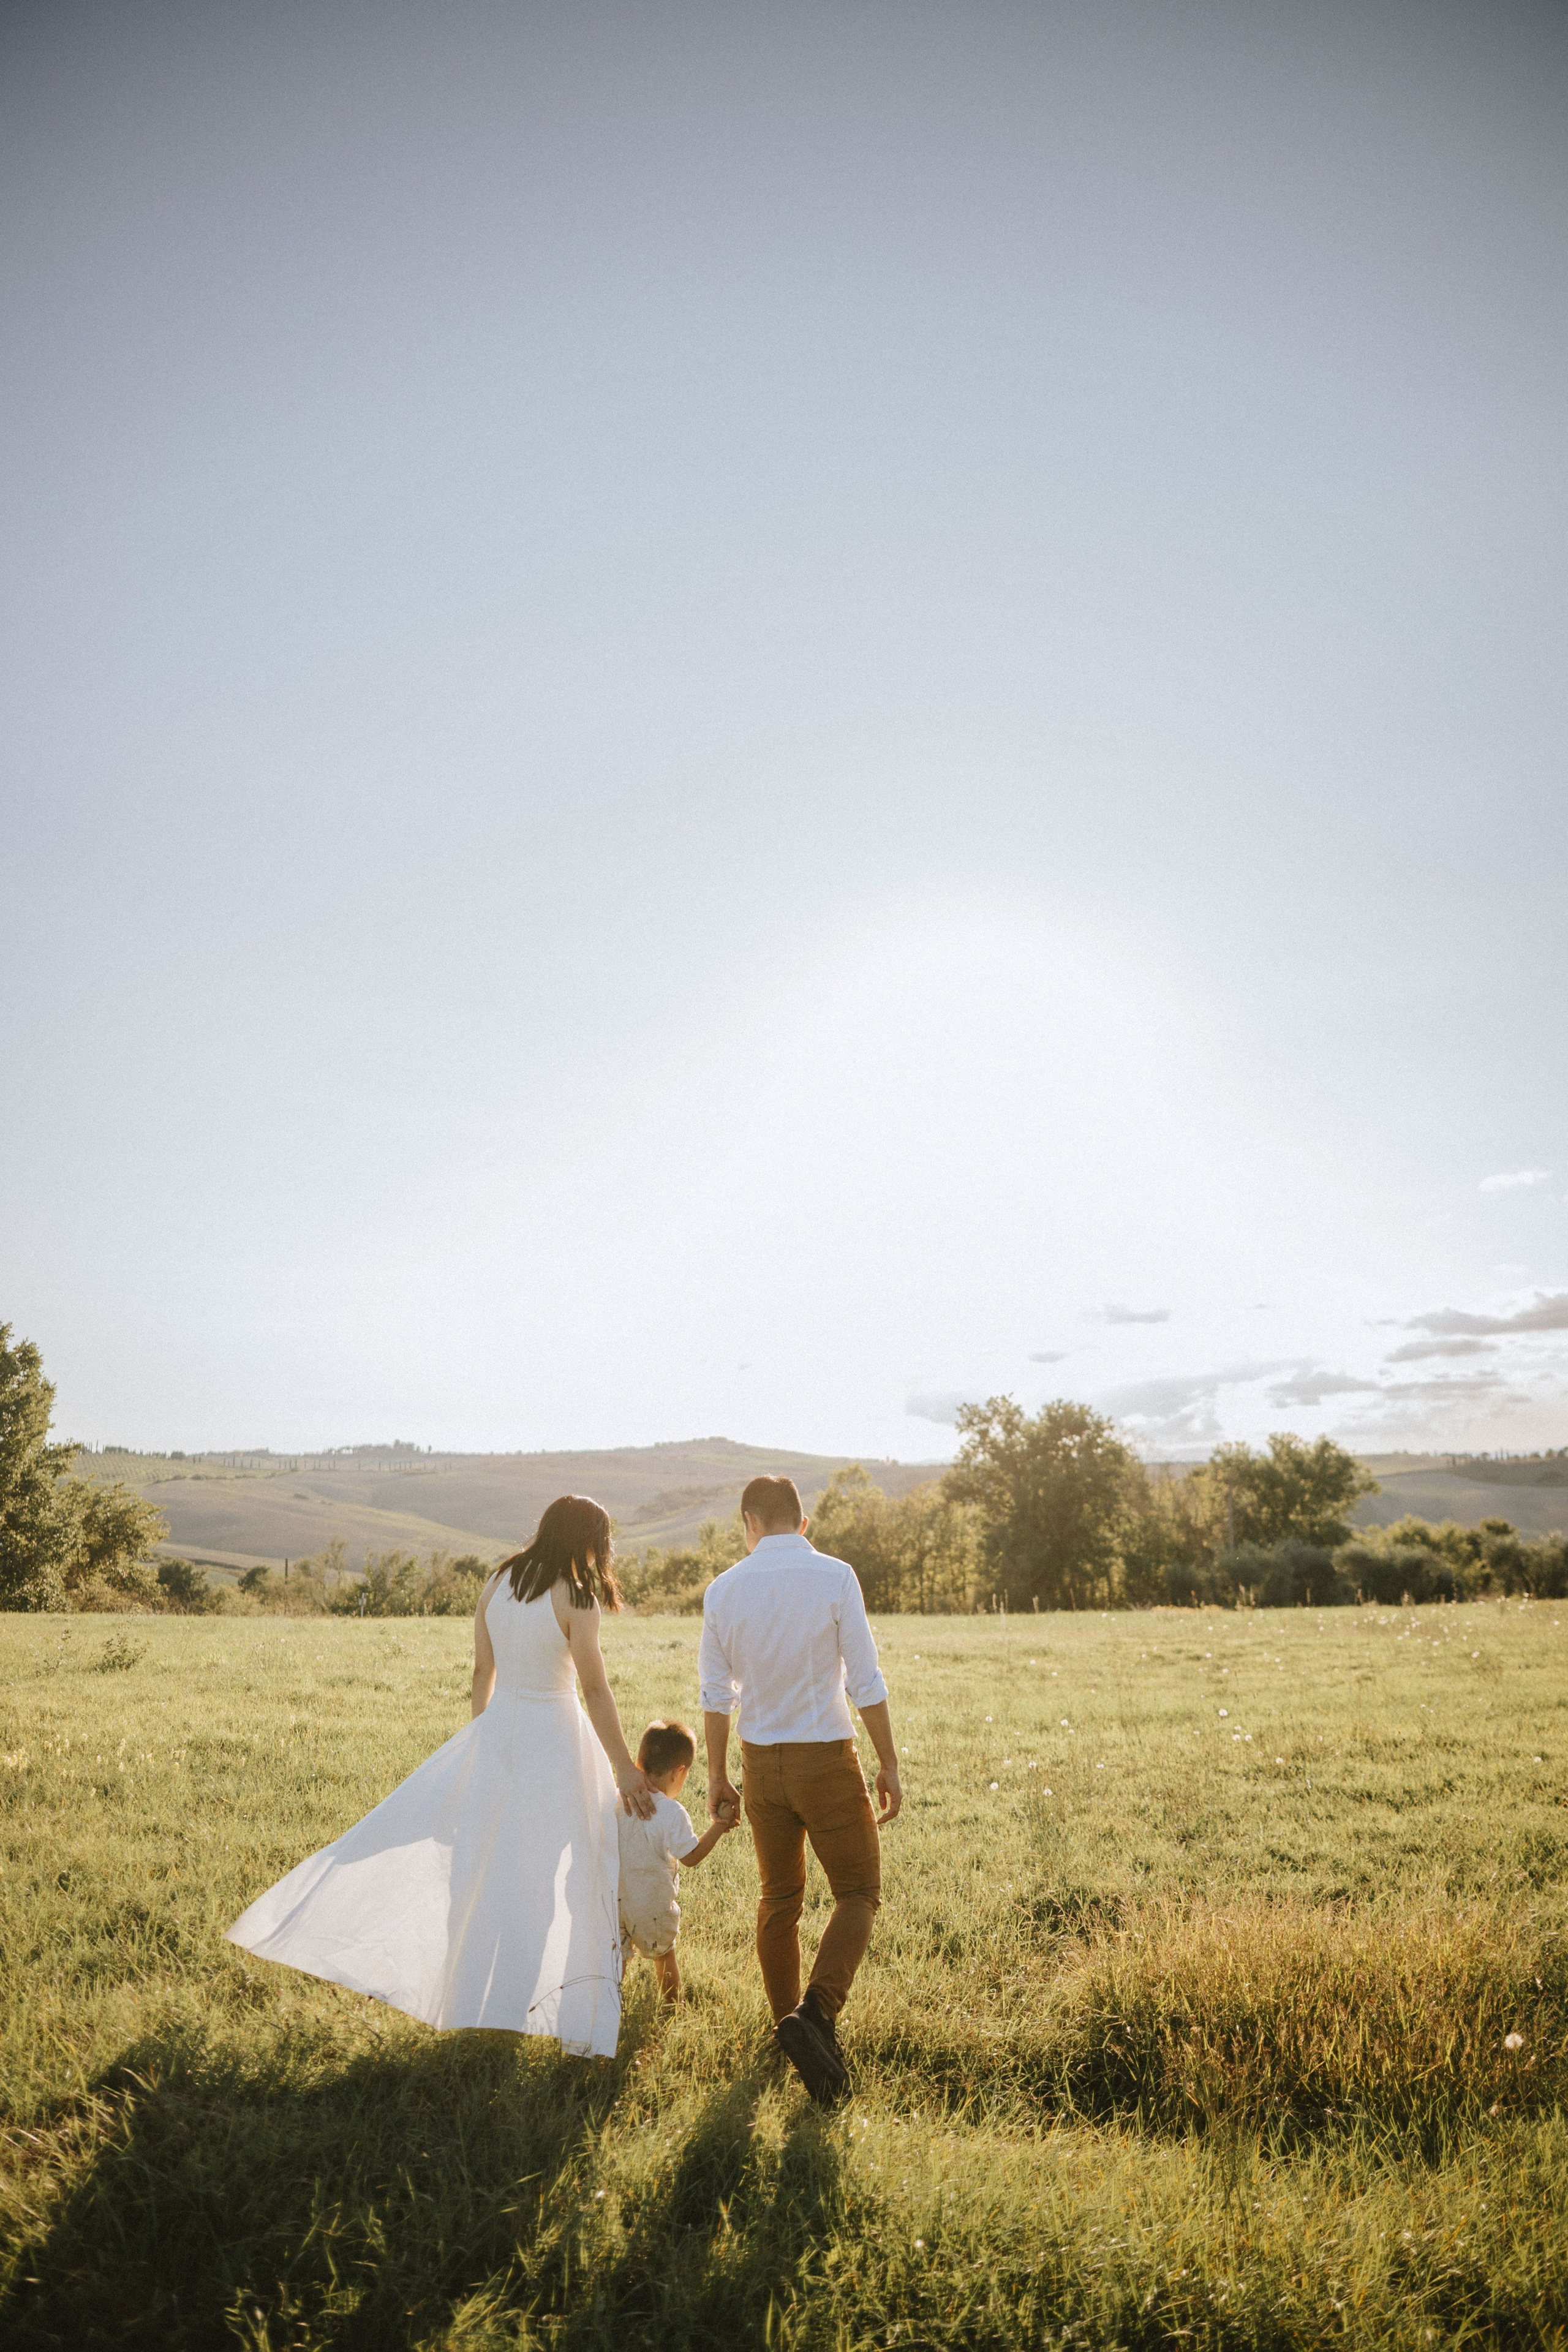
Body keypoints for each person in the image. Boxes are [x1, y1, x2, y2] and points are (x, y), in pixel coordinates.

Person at [227, 1495, 654, 2059]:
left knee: (486, 1871)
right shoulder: (577, 1596)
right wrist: (625, 1766)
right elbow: (595, 1690)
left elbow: (483, 1670)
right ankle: (520, 2012)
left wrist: (483, 1736)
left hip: (500, 1731)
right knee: (549, 1877)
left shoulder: (499, 1581)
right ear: (589, 1542)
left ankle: (476, 2005)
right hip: (554, 1739)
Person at [698, 1474, 902, 2103]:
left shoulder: (723, 1590)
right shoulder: (835, 1576)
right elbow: (864, 1680)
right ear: (802, 1523)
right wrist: (888, 1762)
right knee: (859, 1891)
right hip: (825, 1763)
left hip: (761, 1766)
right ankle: (814, 2015)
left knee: (779, 1899)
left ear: (749, 1523)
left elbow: (714, 1693)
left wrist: (715, 1774)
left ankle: (784, 2023)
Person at [617, 1718, 737, 1999]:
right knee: (664, 1955)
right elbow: (691, 1857)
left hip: (615, 1900)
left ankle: (610, 2008)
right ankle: (673, 2009)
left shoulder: (618, 1799)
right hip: (652, 1905)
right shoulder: (671, 1812)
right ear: (678, 1772)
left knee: (617, 1960)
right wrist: (719, 1826)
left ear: (638, 1761)